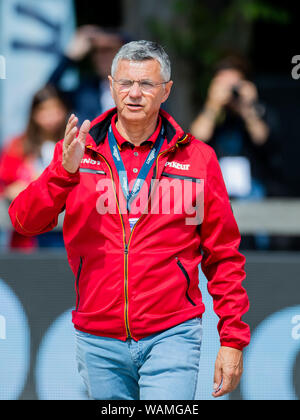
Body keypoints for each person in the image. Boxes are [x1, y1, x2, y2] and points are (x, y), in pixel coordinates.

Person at [9, 41, 250, 400]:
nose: (134, 93)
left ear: (166, 91)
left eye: (147, 84)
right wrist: (63, 172)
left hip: (173, 333)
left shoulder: (199, 159)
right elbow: (24, 222)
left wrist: (232, 339)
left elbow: (224, 254)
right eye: (125, 83)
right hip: (98, 339)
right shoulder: (78, 150)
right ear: (110, 86)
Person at [190, 55, 272, 200]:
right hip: (214, 187)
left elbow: (262, 139)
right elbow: (196, 139)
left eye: (234, 85)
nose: (230, 92)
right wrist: (213, 104)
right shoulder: (211, 112)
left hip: (253, 189)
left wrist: (248, 107)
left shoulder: (256, 111)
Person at [0, 84, 69, 250]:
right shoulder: (17, 146)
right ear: (34, 114)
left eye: (55, 109)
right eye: (44, 110)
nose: (51, 116)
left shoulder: (75, 143)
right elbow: (6, 187)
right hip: (29, 238)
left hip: (66, 233)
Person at [48, 25, 128, 124]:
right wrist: (69, 58)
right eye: (96, 51)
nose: (101, 57)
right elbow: (48, 92)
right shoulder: (86, 90)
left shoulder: (138, 88)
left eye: (107, 50)